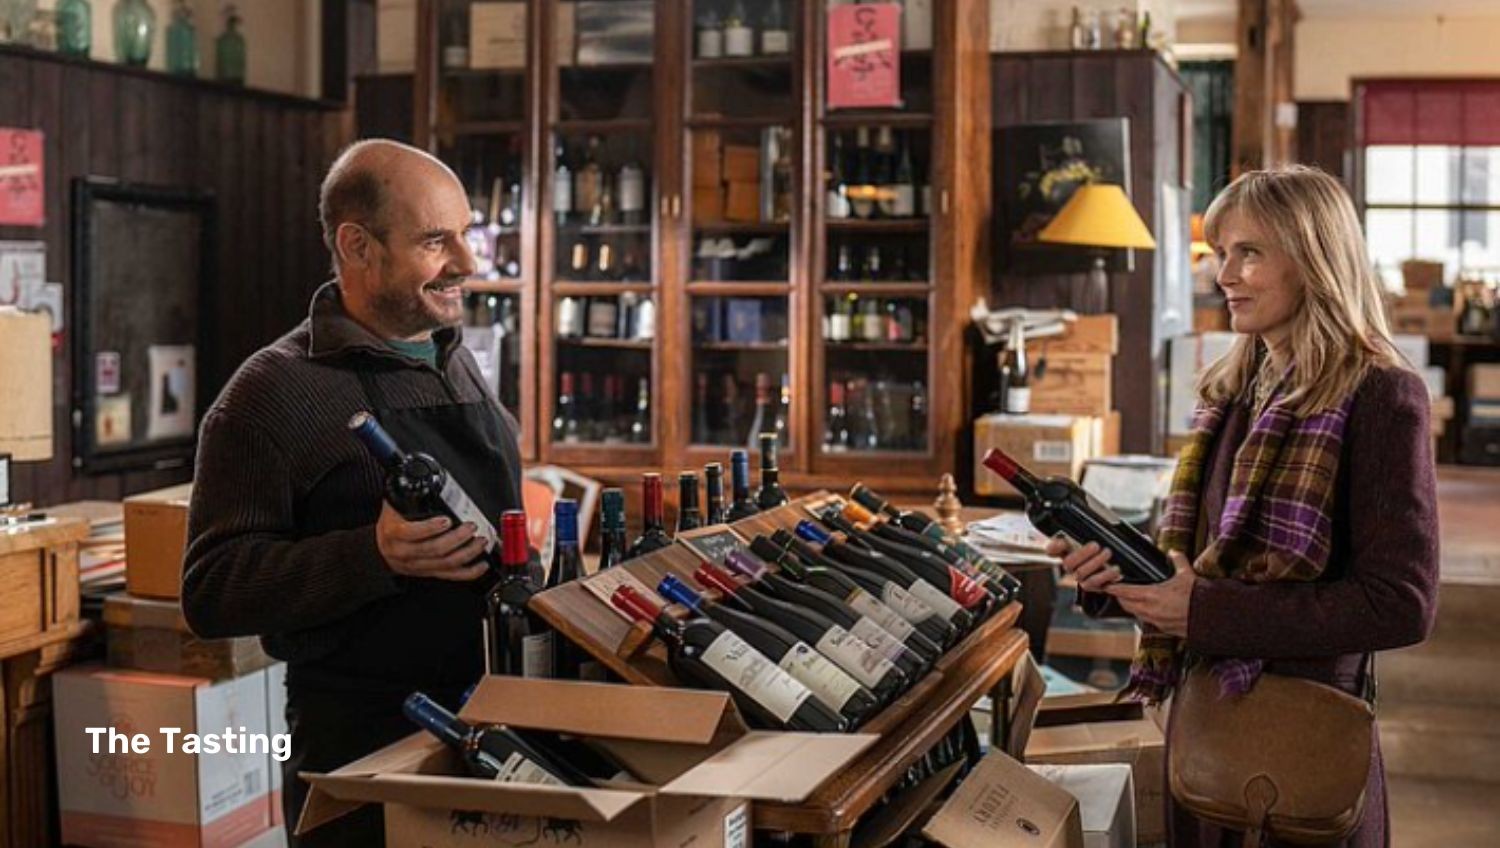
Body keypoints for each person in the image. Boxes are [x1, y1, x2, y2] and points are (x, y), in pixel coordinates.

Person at [1049, 166, 1439, 847]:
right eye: (1219, 252)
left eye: (1248, 252)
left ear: (1314, 258)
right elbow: (1200, 561)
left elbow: (1401, 603)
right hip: (1206, 734)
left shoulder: (1382, 395)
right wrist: (1120, 580)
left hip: (1301, 749)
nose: (1223, 274)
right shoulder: (1232, 391)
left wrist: (1203, 612)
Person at [182, 140, 523, 845]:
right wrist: (373, 555)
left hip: (492, 727)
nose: (467, 262)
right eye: (437, 240)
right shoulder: (269, 394)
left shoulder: (455, 363)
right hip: (362, 757)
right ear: (357, 245)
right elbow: (210, 592)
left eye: (466, 234)